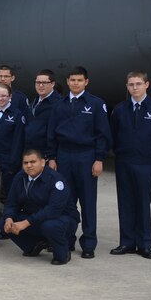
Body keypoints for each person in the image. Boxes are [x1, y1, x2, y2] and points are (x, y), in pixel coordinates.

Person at [47, 66, 111, 258]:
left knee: (88, 201)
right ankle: (67, 240)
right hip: (64, 156)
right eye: (72, 80)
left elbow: (103, 134)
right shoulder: (59, 104)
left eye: (79, 80)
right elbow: (51, 133)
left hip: (86, 156)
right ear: (67, 82)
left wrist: (99, 159)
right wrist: (51, 157)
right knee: (66, 202)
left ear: (86, 82)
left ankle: (89, 244)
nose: (75, 83)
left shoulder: (96, 104)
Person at [108, 72, 151, 259]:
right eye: (131, 84)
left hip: (146, 163)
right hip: (124, 162)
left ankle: (144, 244)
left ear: (147, 85)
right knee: (125, 202)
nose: (134, 88)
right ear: (127, 86)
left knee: (143, 203)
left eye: (138, 84)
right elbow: (113, 134)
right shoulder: (120, 109)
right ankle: (127, 242)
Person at [1, 149, 79, 265]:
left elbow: (53, 210)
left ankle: (63, 253)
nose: (29, 166)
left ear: (43, 162)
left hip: (62, 219)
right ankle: (33, 246)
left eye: (33, 162)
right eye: (26, 163)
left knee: (49, 226)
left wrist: (26, 222)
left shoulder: (56, 180)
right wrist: (8, 218)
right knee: (4, 221)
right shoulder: (20, 177)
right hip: (35, 218)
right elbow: (12, 203)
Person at [25, 69, 60, 154]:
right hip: (30, 152)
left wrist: (52, 156)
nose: (40, 85)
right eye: (37, 82)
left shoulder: (59, 104)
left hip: (46, 154)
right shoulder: (34, 102)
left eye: (44, 83)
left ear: (52, 84)